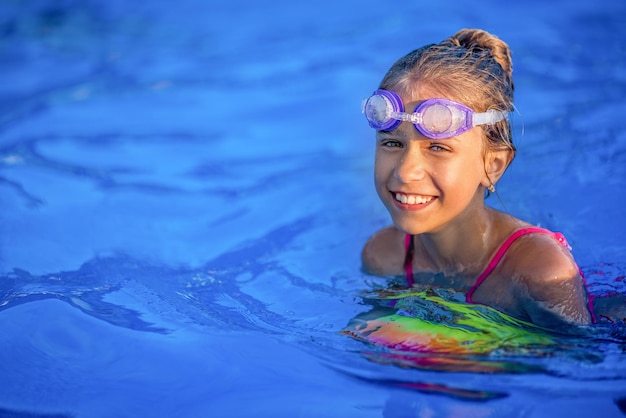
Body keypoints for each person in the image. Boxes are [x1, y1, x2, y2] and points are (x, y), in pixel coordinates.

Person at [360, 28, 594, 329]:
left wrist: (449, 346)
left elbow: (578, 360)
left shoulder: (541, 271)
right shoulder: (383, 255)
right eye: (392, 143)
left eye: (437, 147)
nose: (406, 172)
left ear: (493, 165)